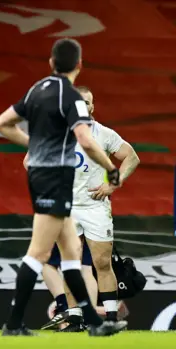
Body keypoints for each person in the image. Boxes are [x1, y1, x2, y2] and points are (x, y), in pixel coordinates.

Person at [0, 37, 127, 336]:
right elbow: (85, 139)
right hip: (55, 179)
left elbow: (2, 123)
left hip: (44, 176)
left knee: (71, 250)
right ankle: (13, 324)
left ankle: (93, 323)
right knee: (38, 254)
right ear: (80, 65)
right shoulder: (70, 95)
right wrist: (110, 169)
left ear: (51, 63)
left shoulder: (37, 89)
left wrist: (36, 145)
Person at [39, 86, 140, 331]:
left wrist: (111, 184)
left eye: (88, 103)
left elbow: (132, 157)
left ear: (92, 107)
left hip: (96, 207)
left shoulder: (104, 134)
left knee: (102, 262)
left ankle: (112, 318)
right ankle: (74, 317)